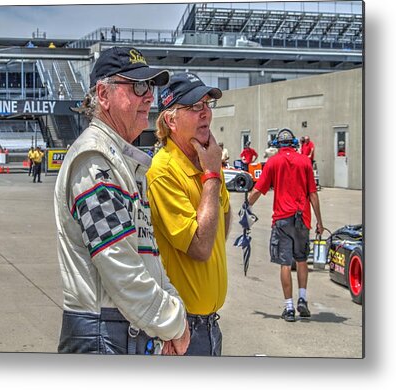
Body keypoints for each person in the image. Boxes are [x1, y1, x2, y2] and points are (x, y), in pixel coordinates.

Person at [54, 46, 189, 355]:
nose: (149, 96)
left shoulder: (120, 160)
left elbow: (147, 254)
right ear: (104, 94)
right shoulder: (95, 159)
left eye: (151, 86)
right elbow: (119, 265)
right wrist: (173, 322)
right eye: (138, 86)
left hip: (122, 331)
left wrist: (171, 307)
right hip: (102, 334)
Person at [147, 72, 231, 356]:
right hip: (183, 329)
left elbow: (223, 221)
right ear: (171, 120)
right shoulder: (164, 170)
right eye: (195, 106)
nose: (205, 112)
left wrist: (211, 173)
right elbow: (201, 246)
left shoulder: (205, 160)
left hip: (209, 325)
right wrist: (211, 176)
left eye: (207, 104)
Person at [247, 128, 324, 322]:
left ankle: (289, 308)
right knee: (301, 260)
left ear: (278, 145)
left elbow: (258, 190)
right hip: (302, 219)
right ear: (294, 143)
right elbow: (313, 194)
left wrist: (245, 207)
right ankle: (303, 300)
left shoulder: (273, 162)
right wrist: (319, 222)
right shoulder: (305, 161)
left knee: (285, 263)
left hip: (282, 219)